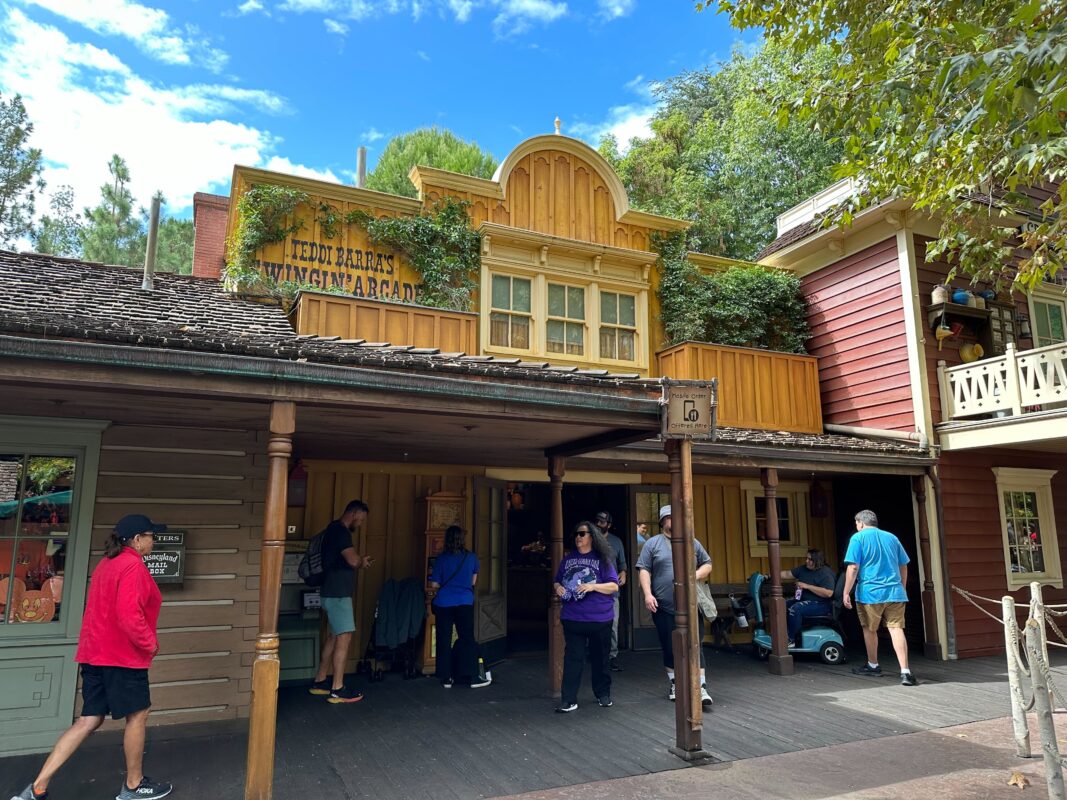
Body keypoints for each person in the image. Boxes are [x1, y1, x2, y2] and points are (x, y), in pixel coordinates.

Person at [10, 514, 172, 800]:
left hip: (94, 654)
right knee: (137, 715)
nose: (154, 540)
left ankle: (36, 787)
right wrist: (150, 644)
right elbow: (128, 615)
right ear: (137, 539)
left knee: (89, 719)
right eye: (151, 535)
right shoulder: (132, 565)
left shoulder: (106, 563)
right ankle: (134, 785)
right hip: (121, 657)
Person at [636, 505, 713, 708]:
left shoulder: (691, 541)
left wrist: (692, 576)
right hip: (663, 606)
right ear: (663, 522)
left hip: (690, 604)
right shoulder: (652, 543)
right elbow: (644, 570)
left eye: (676, 517)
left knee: (696, 644)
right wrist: (647, 594)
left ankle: (701, 687)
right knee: (669, 646)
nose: (674, 521)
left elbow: (707, 563)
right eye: (669, 517)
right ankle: (675, 684)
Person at [308, 500, 374, 703]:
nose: (360, 524)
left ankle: (320, 680)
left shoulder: (330, 529)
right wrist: (362, 562)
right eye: (361, 519)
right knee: (344, 637)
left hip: (329, 590)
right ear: (354, 513)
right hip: (338, 594)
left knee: (334, 636)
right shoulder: (341, 532)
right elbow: (352, 560)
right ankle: (337, 688)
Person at [842, 509, 917, 686]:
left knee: (869, 628)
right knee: (896, 629)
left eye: (856, 523)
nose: (856, 526)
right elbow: (903, 565)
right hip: (895, 592)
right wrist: (902, 587)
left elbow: (853, 567)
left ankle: (873, 665)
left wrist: (846, 592)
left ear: (860, 523)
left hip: (870, 593)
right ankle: (905, 671)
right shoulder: (892, 537)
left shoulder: (857, 538)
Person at [553, 521, 619, 712]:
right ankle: (568, 699)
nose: (578, 537)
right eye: (576, 534)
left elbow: (614, 585)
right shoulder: (568, 559)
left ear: (592, 537)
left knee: (601, 657)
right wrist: (558, 588)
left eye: (582, 534)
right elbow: (557, 580)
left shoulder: (602, 560)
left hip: (599, 617)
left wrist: (593, 586)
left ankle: (603, 694)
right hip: (573, 617)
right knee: (573, 658)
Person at [428, 525, 488, 689]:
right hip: (464, 601)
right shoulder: (471, 558)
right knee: (466, 638)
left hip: (444, 602)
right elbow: (473, 582)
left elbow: (434, 584)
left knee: (444, 639)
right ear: (462, 539)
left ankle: (446, 677)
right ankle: (469, 674)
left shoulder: (441, 559)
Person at [779, 548, 835, 646]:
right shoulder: (803, 569)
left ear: (817, 561)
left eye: (810, 559)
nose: (806, 561)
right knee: (781, 604)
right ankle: (782, 636)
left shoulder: (826, 573)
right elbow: (787, 574)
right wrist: (771, 575)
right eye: (806, 558)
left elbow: (828, 593)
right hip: (804, 600)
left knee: (795, 609)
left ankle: (792, 640)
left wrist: (807, 586)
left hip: (821, 604)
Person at [593, 511, 627, 672]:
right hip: (592, 590)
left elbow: (622, 563)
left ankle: (612, 656)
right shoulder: (589, 540)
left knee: (612, 625)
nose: (599, 524)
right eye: (597, 521)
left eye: (602, 522)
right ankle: (594, 654)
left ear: (609, 525)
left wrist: (623, 573)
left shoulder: (616, 541)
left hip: (612, 591)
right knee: (592, 623)